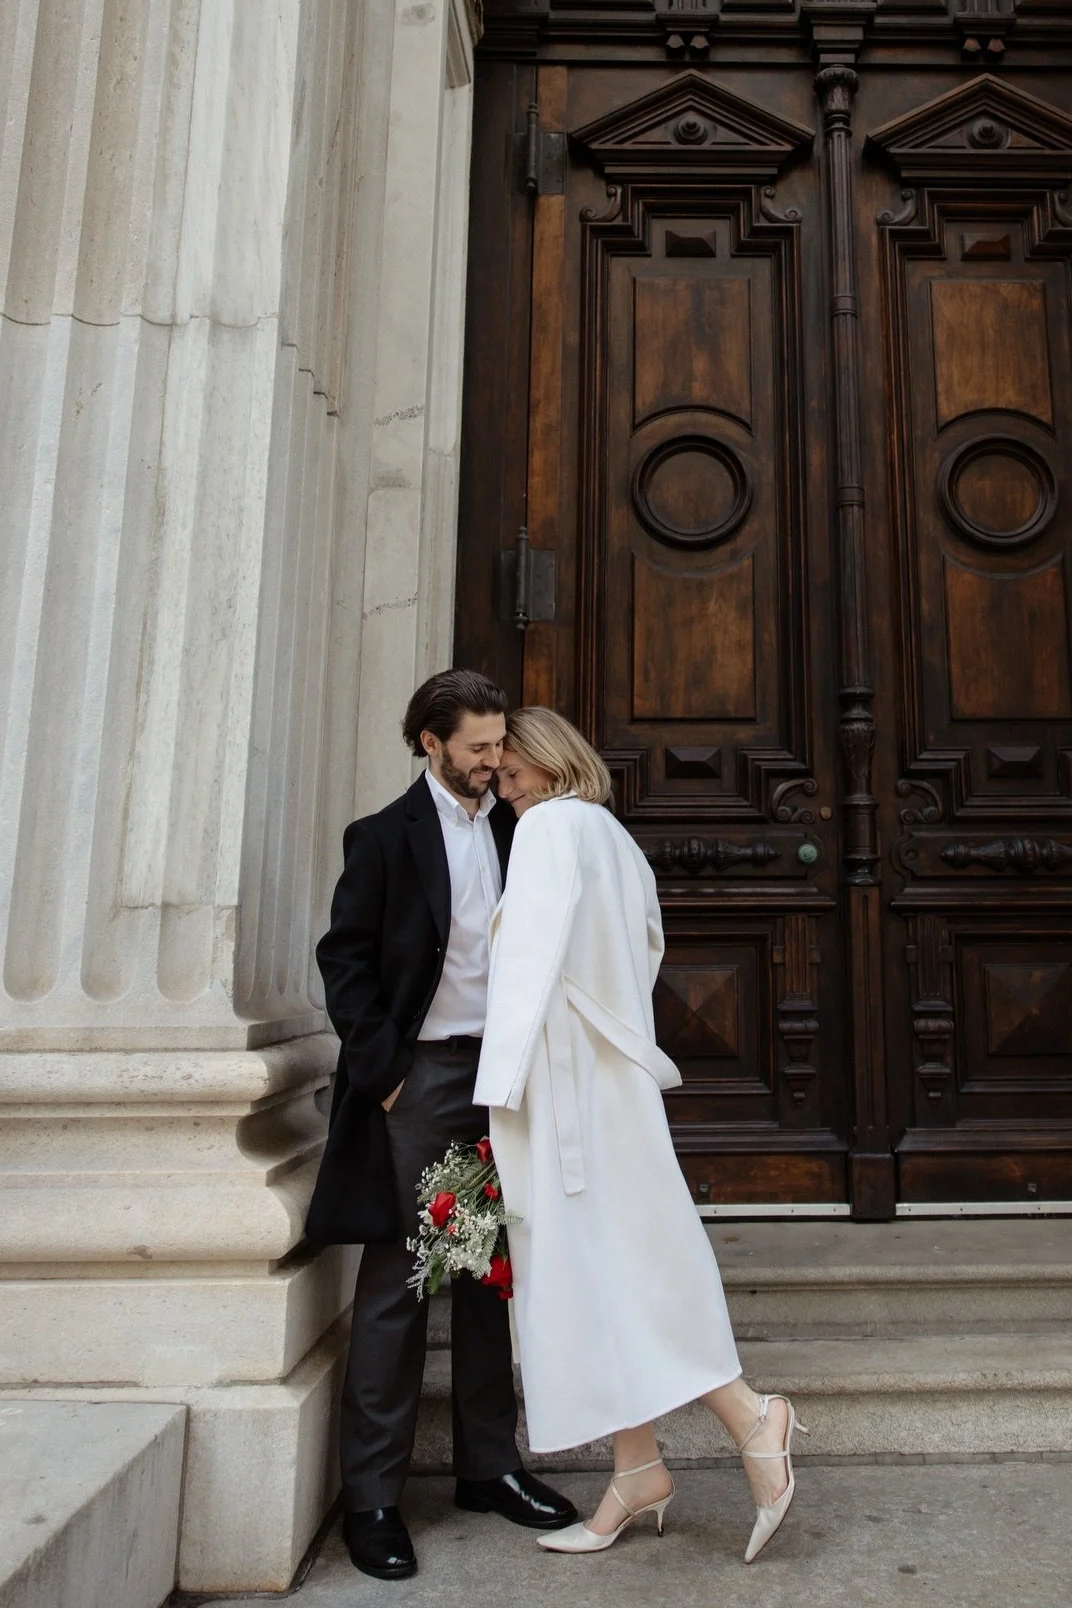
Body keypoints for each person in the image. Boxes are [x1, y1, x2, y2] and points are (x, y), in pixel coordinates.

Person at [475, 706, 804, 1563]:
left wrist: (499, 1087)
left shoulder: (549, 829)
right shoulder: (613, 837)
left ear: (547, 767)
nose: (506, 795)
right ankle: (636, 1465)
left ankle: (753, 1417)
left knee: (617, 1263)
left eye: (512, 777)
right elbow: (648, 947)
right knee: (613, 1264)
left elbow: (526, 965)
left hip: (569, 1085)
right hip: (608, 1074)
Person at [305, 670, 576, 1581]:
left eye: (500, 745)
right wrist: (387, 1078)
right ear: (430, 742)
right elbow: (344, 961)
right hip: (419, 1081)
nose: (495, 761)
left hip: (501, 1081)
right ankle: (374, 1498)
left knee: (489, 1278)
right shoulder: (384, 838)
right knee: (401, 1286)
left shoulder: (521, 826)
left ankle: (489, 1468)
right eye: (477, 748)